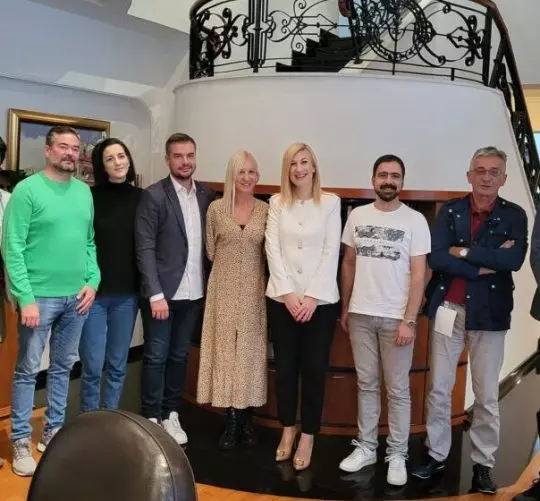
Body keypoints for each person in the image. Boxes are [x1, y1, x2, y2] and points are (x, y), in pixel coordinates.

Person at [411, 147, 528, 494]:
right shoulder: (450, 211)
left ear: (503, 178)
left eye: (494, 172)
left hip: (490, 314)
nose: (486, 177)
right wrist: (482, 264)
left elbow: (513, 261)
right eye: (480, 170)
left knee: (486, 394)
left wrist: (462, 251)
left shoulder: (515, 216)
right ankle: (436, 453)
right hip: (449, 308)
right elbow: (437, 258)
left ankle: (483, 464)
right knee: (439, 387)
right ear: (469, 175)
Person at [2, 125, 100, 476]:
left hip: (77, 298)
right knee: (28, 370)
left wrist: (93, 281)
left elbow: (89, 242)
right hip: (38, 298)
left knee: (62, 367)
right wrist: (24, 297)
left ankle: (53, 431)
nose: (70, 153)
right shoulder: (27, 191)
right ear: (47, 151)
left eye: (75, 148)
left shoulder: (84, 192)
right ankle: (20, 439)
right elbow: (12, 247)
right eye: (63, 146)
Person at [339, 154, 430, 487]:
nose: (388, 181)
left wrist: (410, 320)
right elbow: (349, 263)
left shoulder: (415, 220)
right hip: (360, 315)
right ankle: (366, 447)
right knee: (366, 384)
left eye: (395, 176)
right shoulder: (357, 215)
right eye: (383, 175)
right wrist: (346, 307)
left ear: (402, 182)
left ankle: (397, 453)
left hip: (397, 319)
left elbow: (419, 274)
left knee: (398, 390)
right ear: (373, 179)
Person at [265, 142, 341, 471]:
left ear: (313, 167)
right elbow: (272, 249)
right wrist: (288, 294)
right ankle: (287, 429)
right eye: (292, 163)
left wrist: (311, 297)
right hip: (282, 301)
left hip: (319, 304)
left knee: (313, 370)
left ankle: (308, 434)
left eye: (304, 162)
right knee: (284, 369)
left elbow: (331, 251)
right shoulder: (276, 202)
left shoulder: (331, 203)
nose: (298, 169)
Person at [135, 132, 214, 445]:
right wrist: (155, 293)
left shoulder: (206, 195)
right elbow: (144, 247)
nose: (185, 162)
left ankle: (171, 413)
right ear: (167, 159)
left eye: (190, 155)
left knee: (179, 356)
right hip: (162, 295)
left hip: (193, 293)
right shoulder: (153, 195)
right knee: (156, 356)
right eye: (178, 156)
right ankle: (151, 416)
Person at [197, 150, 268, 450]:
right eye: (242, 171)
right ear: (232, 175)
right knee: (225, 351)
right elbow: (210, 250)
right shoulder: (215, 209)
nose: (247, 177)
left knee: (250, 352)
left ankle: (247, 416)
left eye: (252, 172)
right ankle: (231, 419)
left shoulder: (266, 210)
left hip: (254, 290)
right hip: (223, 288)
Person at [78, 138, 142, 412]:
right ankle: (89, 419)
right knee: (92, 364)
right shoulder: (88, 198)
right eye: (110, 158)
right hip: (94, 294)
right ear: (101, 166)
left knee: (117, 364)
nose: (118, 162)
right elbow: (82, 243)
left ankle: (110, 417)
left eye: (121, 156)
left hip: (127, 294)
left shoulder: (142, 198)